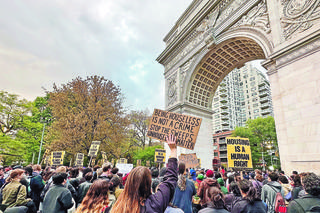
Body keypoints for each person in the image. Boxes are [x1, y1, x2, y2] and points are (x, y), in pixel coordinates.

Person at [110, 134, 177, 213]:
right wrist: (173, 150)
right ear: (148, 183)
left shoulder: (118, 206)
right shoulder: (155, 204)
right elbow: (170, 180)